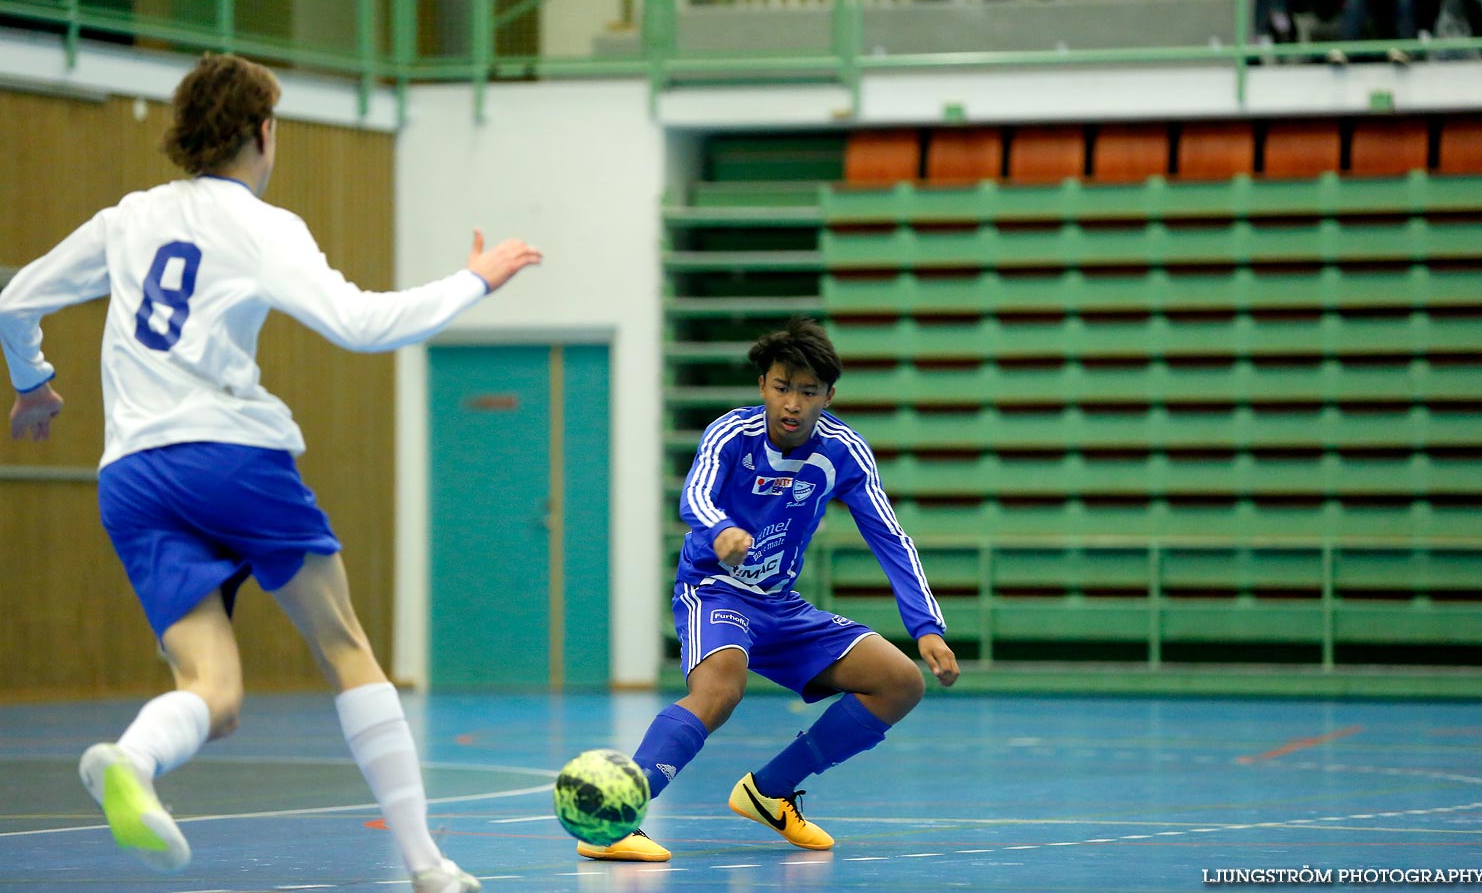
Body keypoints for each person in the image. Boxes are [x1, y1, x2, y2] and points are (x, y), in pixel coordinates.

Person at [0, 53, 542, 893]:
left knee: (210, 691)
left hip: (134, 477)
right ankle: (428, 866)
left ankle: (132, 759)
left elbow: (12, 303)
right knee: (345, 646)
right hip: (230, 456)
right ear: (260, 131)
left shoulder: (127, 218)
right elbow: (361, 324)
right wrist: (474, 279)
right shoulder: (263, 226)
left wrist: (33, 384)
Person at [576, 317, 961, 863]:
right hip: (714, 591)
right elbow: (695, 495)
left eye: (808, 392)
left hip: (781, 605)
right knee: (720, 691)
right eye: (782, 387)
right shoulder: (730, 434)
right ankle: (610, 822)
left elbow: (889, 536)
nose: (793, 404)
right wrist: (721, 531)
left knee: (900, 682)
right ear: (763, 386)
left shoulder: (845, 452)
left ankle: (770, 791)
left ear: (829, 396)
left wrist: (926, 627)